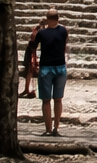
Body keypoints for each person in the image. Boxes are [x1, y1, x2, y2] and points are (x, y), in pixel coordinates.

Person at [32, 8, 70, 136]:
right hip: (60, 66)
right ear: (58, 18)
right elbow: (64, 44)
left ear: (47, 19)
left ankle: (48, 128)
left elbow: (32, 46)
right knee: (58, 99)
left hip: (46, 67)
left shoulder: (42, 33)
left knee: (46, 100)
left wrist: (38, 29)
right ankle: (56, 127)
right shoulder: (64, 30)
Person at [21, 17, 47, 98]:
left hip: (32, 51)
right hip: (31, 51)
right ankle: (27, 89)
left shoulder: (37, 30)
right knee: (30, 71)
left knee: (30, 71)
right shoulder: (39, 31)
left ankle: (28, 89)